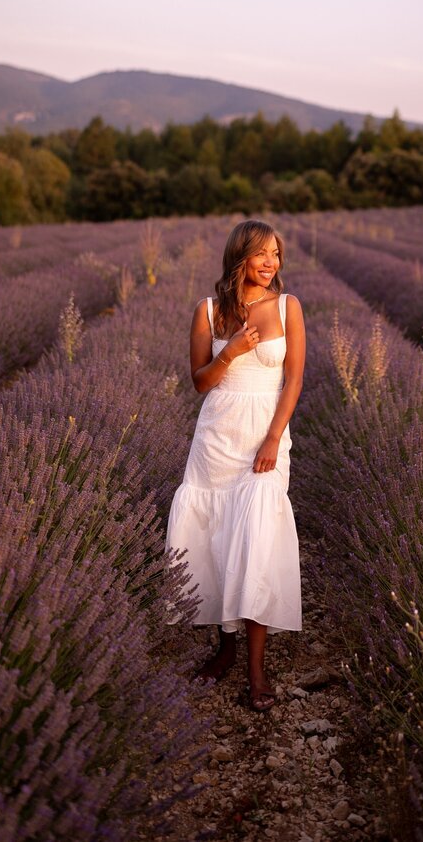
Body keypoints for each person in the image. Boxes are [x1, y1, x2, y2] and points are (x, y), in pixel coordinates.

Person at [166, 219, 305, 712]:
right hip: (217, 439)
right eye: (262, 254)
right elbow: (201, 382)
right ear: (239, 257)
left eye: (276, 254)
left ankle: (255, 667)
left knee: (257, 541)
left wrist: (273, 438)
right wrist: (233, 353)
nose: (271, 263)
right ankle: (223, 647)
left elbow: (292, 382)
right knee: (215, 540)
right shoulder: (208, 311)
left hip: (264, 440)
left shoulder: (289, 308)